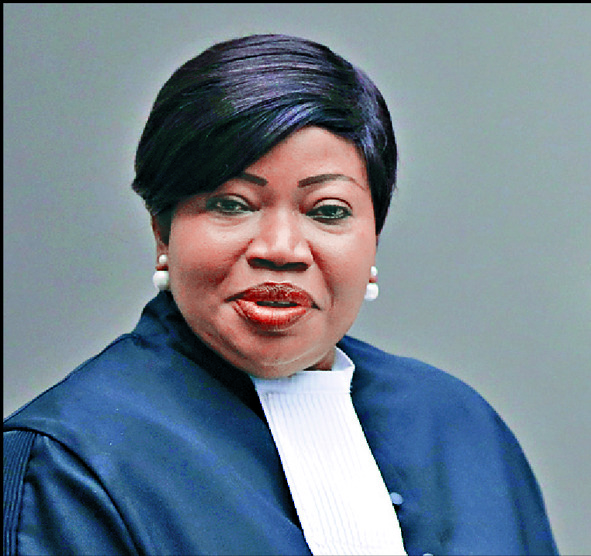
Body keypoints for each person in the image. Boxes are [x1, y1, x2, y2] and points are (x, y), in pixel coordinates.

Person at [3, 33, 558, 556]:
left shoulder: (458, 427)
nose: (281, 249)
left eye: (328, 211)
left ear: (374, 237)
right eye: (231, 204)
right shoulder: (69, 459)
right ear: (162, 232)